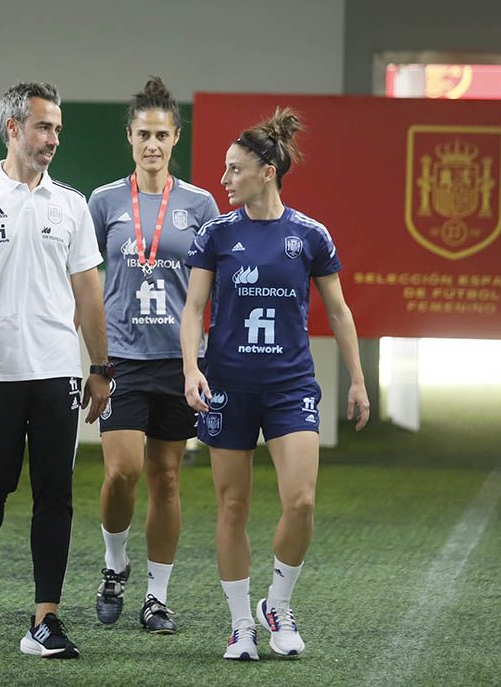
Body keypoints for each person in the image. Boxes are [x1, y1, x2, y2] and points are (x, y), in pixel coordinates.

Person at [180, 108, 370, 661]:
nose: (224, 179)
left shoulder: (310, 235)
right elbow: (193, 310)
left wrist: (357, 380)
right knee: (232, 506)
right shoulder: (216, 233)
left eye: (234, 169)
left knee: (302, 501)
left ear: (267, 171)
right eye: (224, 169)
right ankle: (241, 625)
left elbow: (338, 311)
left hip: (291, 387)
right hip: (227, 387)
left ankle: (277, 604)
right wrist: (191, 368)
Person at [0, 81, 110, 659]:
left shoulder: (71, 204)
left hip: (57, 370)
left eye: (58, 128)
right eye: (43, 127)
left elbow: (88, 291)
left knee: (54, 495)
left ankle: (45, 620)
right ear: (12, 128)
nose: (53, 138)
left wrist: (101, 366)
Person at [87, 77, 219, 633]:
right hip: (121, 359)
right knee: (123, 471)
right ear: (129, 137)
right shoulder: (104, 202)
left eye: (162, 135)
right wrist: (92, 360)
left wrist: (204, 362)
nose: (152, 145)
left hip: (178, 361)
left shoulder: (200, 204)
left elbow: (211, 285)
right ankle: (115, 566)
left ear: (176, 138)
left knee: (167, 478)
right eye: (143, 134)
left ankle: (156, 596)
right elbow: (87, 284)